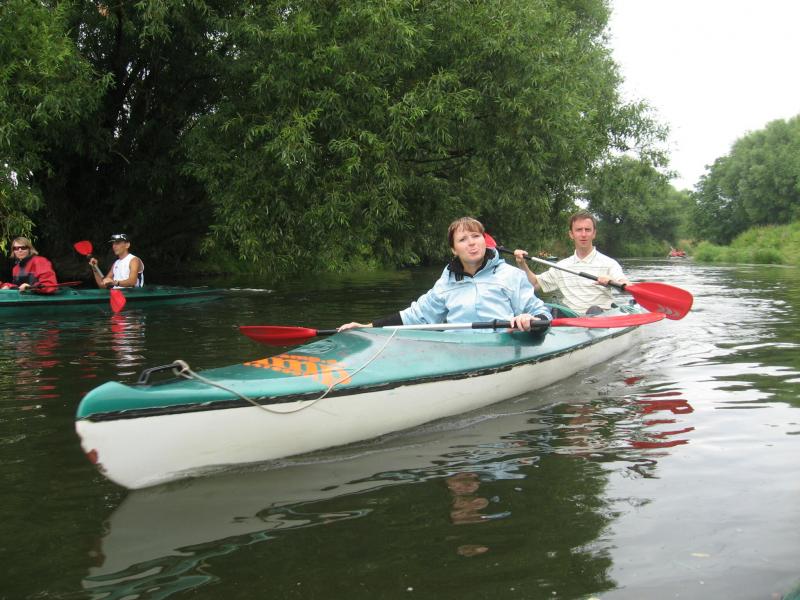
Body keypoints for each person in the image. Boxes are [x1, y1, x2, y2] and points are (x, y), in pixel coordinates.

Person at [339, 217, 551, 333]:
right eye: (463, 239)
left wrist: (529, 319)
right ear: (453, 249)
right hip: (456, 349)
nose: (471, 243)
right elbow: (416, 316)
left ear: (484, 241)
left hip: (502, 346)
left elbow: (541, 313)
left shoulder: (511, 275)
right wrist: (367, 327)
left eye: (476, 236)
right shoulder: (446, 283)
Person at [514, 210, 629, 315]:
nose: (583, 234)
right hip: (571, 320)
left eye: (587, 230)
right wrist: (522, 263)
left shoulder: (609, 263)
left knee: (594, 310)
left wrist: (611, 281)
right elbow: (534, 284)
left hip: (600, 318)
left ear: (594, 233)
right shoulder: (561, 266)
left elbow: (627, 287)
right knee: (548, 309)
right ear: (571, 234)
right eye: (579, 230)